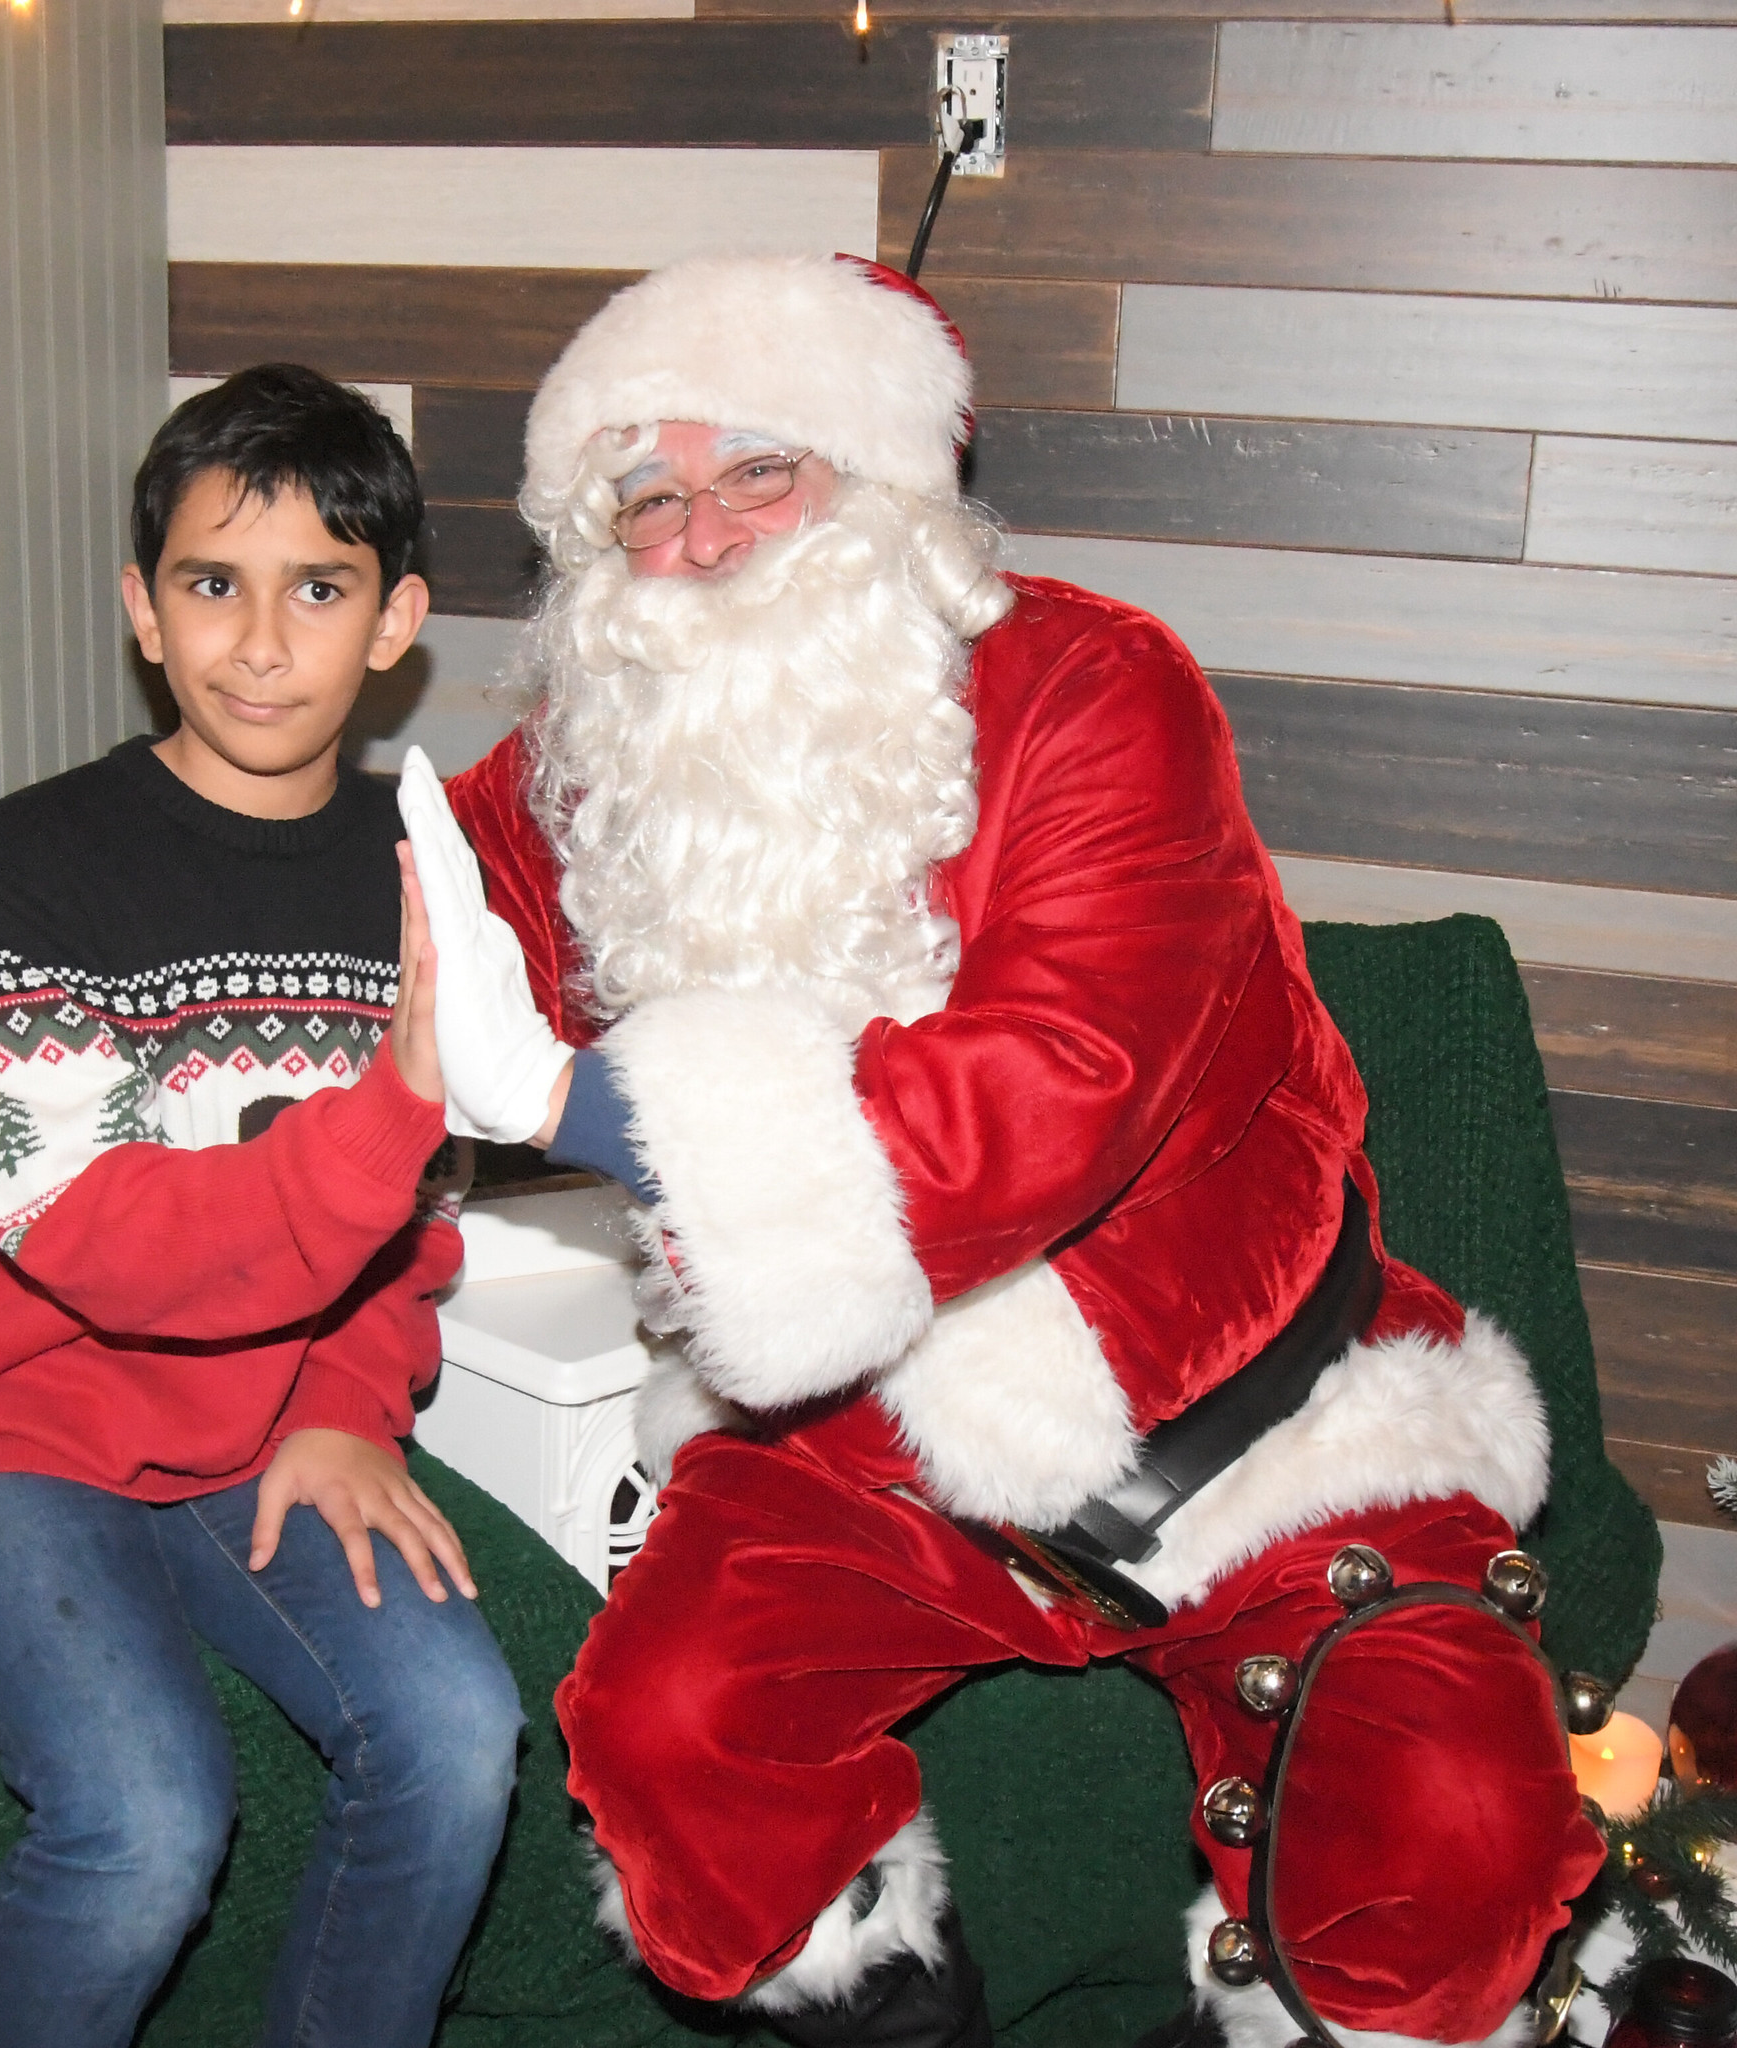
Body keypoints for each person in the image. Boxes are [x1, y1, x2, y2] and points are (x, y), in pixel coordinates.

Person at [390, 255, 1606, 2048]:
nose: (706, 539)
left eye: (760, 473)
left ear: (879, 485)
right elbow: (357, 915)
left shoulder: (1101, 685)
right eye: (648, 497)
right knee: (668, 1739)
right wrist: (78, 962)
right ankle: (894, 2012)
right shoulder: (606, 761)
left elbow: (1067, 1076)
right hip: (856, 1431)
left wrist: (593, 1110)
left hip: (1253, 1412)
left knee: (1460, 1819)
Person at [0, 365, 524, 2048]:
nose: (262, 640)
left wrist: (350, 1406)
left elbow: (408, 1224)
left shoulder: (419, 881)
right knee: (144, 1823)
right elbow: (105, 1244)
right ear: (143, 608)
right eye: (214, 583)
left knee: (455, 1738)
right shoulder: (22, 865)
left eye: (320, 588)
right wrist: (400, 1095)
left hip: (258, 1415)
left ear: (396, 619)